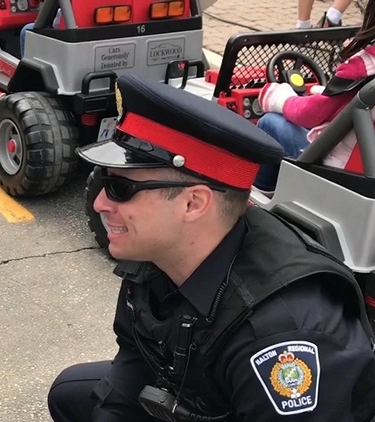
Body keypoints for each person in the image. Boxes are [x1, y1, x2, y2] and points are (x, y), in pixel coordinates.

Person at [47, 73, 375, 421]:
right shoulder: (158, 253)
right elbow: (136, 356)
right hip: (201, 393)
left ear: (193, 204)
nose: (99, 203)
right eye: (102, 181)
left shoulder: (281, 335)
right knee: (73, 394)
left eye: (119, 189)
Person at [255, 0, 375, 191]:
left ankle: (261, 199)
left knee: (269, 123)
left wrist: (280, 98)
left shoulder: (363, 64)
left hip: (341, 172)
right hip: (365, 169)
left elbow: (309, 115)